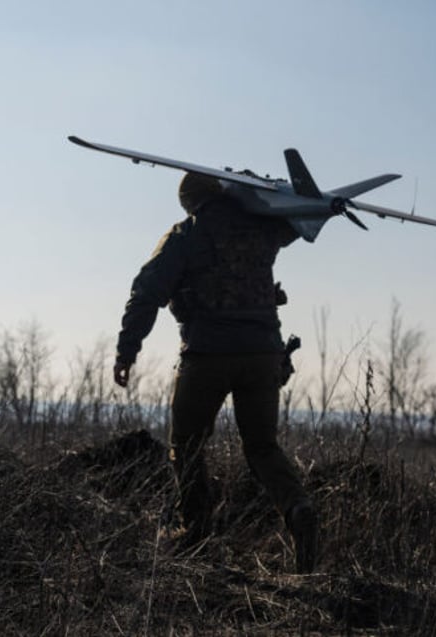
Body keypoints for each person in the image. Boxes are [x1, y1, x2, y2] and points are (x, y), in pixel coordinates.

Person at [112, 172, 318, 573]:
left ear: (190, 201)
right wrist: (264, 187)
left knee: (186, 446)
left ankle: (194, 532)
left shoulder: (185, 235)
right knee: (262, 448)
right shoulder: (264, 228)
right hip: (263, 355)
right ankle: (297, 507)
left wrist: (127, 350)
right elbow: (300, 219)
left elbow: (147, 293)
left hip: (207, 354)